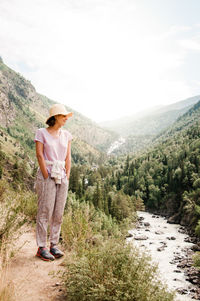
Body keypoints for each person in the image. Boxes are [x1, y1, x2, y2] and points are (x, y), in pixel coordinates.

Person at [34, 103, 73, 261]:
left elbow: (68, 157)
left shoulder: (67, 135)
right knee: (45, 210)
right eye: (63, 116)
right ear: (55, 117)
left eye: (66, 116)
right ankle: (42, 246)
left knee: (58, 212)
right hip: (48, 174)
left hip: (62, 175)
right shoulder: (41, 133)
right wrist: (45, 175)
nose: (65, 119)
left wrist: (67, 175)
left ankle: (54, 244)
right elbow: (39, 155)